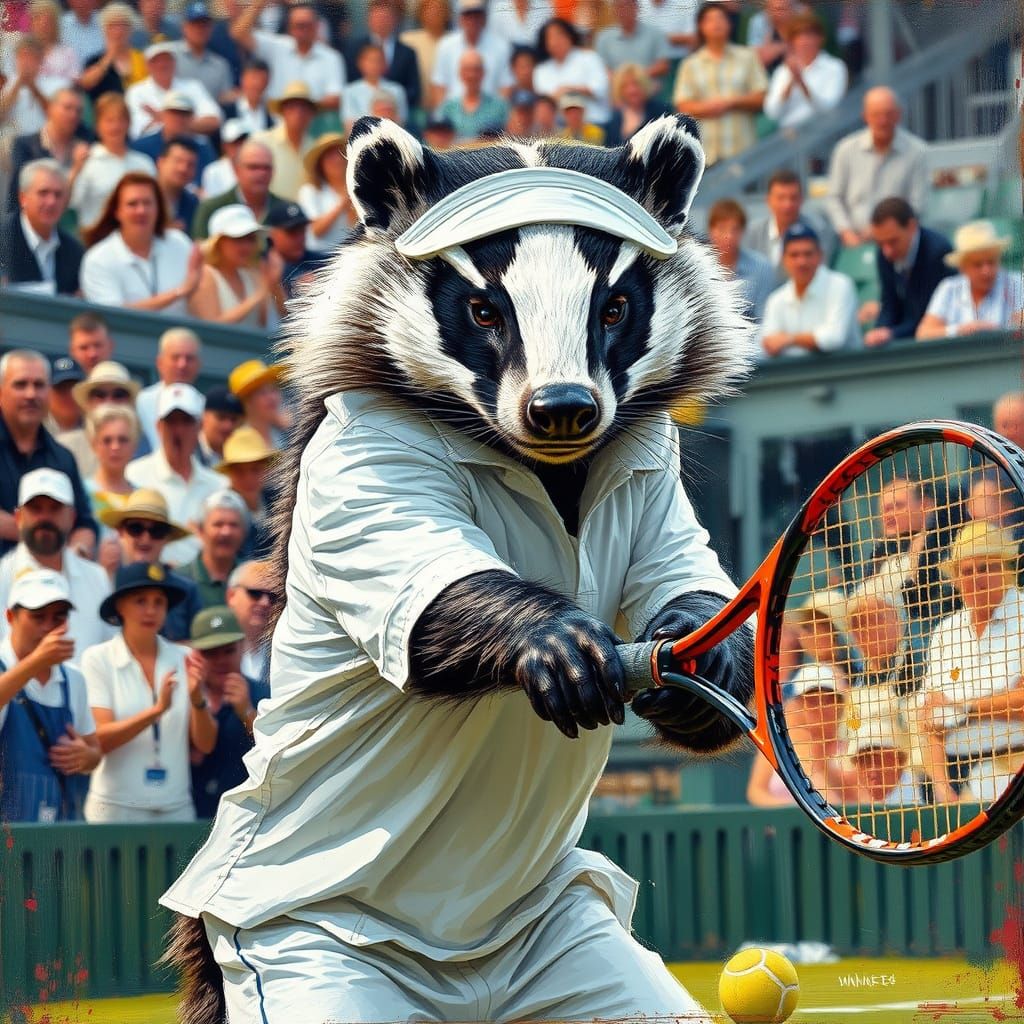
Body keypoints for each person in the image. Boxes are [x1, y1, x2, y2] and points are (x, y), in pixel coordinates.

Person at [81, 561, 217, 822]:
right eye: (140, 601)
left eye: (159, 602)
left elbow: (205, 744)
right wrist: (156, 711)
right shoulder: (97, 659)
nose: (151, 610)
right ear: (120, 606)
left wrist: (197, 700)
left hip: (176, 808)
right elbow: (100, 739)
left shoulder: (185, 657)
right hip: (114, 810)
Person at [913, 522, 1024, 804]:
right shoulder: (945, 632)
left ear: (1005, 568)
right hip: (954, 777)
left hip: (1015, 766)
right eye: (966, 571)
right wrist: (942, 788)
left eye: (985, 568)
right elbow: (931, 721)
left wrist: (962, 707)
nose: (975, 578)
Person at [0, 569, 101, 822]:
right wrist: (35, 662)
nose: (48, 627)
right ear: (10, 616)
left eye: (58, 617)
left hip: (62, 833)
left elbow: (95, 750)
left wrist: (87, 758)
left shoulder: (73, 679)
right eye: (38, 617)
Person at [0, 468, 111, 654]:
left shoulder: (98, 578)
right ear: (18, 517)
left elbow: (112, 650)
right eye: (36, 508)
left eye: (55, 508)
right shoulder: (2, 578)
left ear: (72, 518)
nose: (44, 518)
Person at [0, 351, 98, 559]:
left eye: (39, 385)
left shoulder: (63, 458)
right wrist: (46, 536)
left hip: (50, 584)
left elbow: (84, 524)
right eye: (20, 384)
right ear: (1, 392)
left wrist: (78, 550)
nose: (30, 394)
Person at [126, 384, 224, 567]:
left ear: (200, 427)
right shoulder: (133, 474)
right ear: (158, 426)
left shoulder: (219, 485)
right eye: (171, 422)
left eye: (186, 421)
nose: (178, 430)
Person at [79, 170, 202, 315]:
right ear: (117, 211)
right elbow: (112, 316)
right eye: (132, 204)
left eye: (147, 203)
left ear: (158, 208)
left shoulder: (179, 243)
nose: (141, 210)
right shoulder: (98, 259)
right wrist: (179, 292)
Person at [187, 605, 267, 817]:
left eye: (228, 650)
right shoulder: (182, 695)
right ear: (194, 654)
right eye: (210, 652)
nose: (221, 660)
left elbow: (277, 751)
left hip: (247, 814)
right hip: (192, 815)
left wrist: (247, 712)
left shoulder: (262, 692)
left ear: (242, 647)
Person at [826, 88, 929, 248]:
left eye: (888, 114)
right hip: (852, 242)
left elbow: (918, 204)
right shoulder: (845, 150)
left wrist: (882, 232)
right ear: (865, 116)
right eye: (876, 114)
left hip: (898, 242)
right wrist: (846, 232)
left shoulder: (917, 152)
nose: (883, 120)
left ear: (898, 114)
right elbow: (834, 198)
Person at [99, 488, 203, 640]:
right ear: (120, 531)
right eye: (136, 528)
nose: (146, 538)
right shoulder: (102, 581)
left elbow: (202, 648)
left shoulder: (187, 590)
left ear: (167, 537)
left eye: (157, 530)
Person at [673, 2, 766, 166]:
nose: (716, 23)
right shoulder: (690, 64)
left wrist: (731, 103)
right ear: (701, 26)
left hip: (742, 151)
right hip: (706, 155)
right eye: (710, 19)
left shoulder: (748, 57)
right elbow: (683, 106)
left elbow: (761, 97)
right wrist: (710, 107)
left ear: (729, 23)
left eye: (721, 18)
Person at [863, 197, 955, 348]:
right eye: (881, 243)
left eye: (893, 241)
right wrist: (879, 331)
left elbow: (927, 316)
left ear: (912, 226)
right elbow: (889, 303)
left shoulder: (937, 252)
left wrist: (891, 333)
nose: (887, 251)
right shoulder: (885, 253)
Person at [760, 223, 859, 357]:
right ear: (784, 260)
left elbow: (834, 338)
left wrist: (789, 339)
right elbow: (769, 345)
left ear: (820, 256)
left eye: (808, 254)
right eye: (794, 255)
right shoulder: (776, 299)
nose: (802, 262)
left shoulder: (840, 285)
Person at [229, 0, 346, 113]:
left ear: (316, 26)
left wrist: (299, 109)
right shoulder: (277, 46)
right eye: (299, 26)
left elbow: (336, 98)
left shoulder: (331, 57)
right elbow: (239, 33)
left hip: (317, 125)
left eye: (307, 25)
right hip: (276, 125)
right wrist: (259, 3)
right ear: (290, 28)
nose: (303, 30)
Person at [916, 221, 1024, 340]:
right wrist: (960, 330)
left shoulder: (1017, 283)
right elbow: (923, 333)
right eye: (977, 265)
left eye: (991, 262)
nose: (986, 271)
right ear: (963, 268)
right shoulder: (949, 288)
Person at [68, 92, 156, 232]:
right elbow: (72, 202)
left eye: (121, 120)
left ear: (128, 123)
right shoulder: (86, 162)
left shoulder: (144, 163)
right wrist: (75, 169)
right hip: (95, 239)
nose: (115, 126)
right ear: (97, 126)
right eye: (109, 121)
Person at [189, 204, 285, 327]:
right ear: (218, 242)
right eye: (238, 239)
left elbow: (264, 324)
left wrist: (274, 284)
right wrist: (259, 295)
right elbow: (211, 329)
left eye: (250, 239)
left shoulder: (253, 274)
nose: (246, 246)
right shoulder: (205, 276)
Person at [0, 159, 83, 296]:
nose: (51, 202)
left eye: (58, 195)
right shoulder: (3, 240)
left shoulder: (74, 251)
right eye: (43, 193)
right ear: (23, 198)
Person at [6, 87, 89, 210]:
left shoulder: (85, 146)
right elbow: (16, 195)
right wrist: (75, 170)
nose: (73, 115)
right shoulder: (25, 145)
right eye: (67, 108)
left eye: (78, 111)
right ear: (50, 108)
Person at [762, 13, 847, 130]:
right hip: (789, 137)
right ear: (792, 43)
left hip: (824, 134)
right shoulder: (783, 71)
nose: (804, 42)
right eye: (799, 37)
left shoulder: (835, 67)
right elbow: (772, 113)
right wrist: (791, 82)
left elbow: (829, 108)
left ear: (821, 38)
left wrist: (802, 83)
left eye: (809, 36)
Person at [745, 168, 836, 276]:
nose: (788, 204)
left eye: (793, 198)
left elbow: (821, 273)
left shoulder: (818, 231)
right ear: (768, 201)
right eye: (781, 198)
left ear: (802, 200)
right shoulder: (751, 233)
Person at [124, 40, 222, 139]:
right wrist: (186, 122)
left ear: (174, 63)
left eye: (167, 60)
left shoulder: (193, 86)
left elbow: (214, 121)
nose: (162, 65)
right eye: (156, 61)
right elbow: (137, 131)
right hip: (154, 147)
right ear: (147, 66)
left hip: (192, 144)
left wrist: (163, 118)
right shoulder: (136, 92)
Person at [192, 140, 285, 240]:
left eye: (266, 168)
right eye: (253, 167)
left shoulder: (285, 210)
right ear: (236, 170)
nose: (261, 173)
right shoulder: (211, 209)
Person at [430, 0, 513, 108]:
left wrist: (497, 114)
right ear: (460, 19)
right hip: (453, 113)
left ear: (484, 18)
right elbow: (439, 86)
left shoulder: (501, 47)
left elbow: (506, 86)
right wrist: (444, 117)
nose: (473, 20)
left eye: (477, 15)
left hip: (490, 114)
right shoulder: (445, 45)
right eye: (468, 15)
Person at [345, 0, 421, 113]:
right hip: (360, 112)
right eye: (377, 17)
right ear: (369, 20)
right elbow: (349, 80)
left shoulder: (407, 52)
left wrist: (390, 103)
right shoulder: (353, 48)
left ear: (394, 20)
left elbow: (413, 89)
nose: (381, 22)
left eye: (385, 18)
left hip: (395, 114)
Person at [706, 197, 775, 322]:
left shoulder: (761, 267)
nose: (729, 236)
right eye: (722, 228)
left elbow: (762, 320)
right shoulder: (700, 268)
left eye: (735, 229)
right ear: (711, 230)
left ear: (743, 231)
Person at [177, 490, 250, 609]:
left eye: (233, 525)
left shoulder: (252, 582)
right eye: (218, 524)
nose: (226, 532)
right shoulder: (180, 580)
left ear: (244, 532)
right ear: (200, 531)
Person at [533, 17, 610, 127]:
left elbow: (601, 89)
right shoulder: (541, 70)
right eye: (550, 37)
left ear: (569, 36)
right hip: (561, 130)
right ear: (545, 44)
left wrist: (569, 90)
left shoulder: (589, 58)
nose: (556, 41)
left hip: (595, 123)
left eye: (559, 35)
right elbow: (544, 104)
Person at [135, 327, 202, 450]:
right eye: (175, 357)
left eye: (189, 358)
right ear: (160, 362)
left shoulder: (204, 406)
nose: (182, 364)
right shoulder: (140, 402)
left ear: (199, 364)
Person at [254, 80, 319, 202]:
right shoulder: (261, 142)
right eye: (292, 107)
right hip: (270, 214)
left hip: (305, 217)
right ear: (282, 112)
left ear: (311, 114)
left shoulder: (316, 148)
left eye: (304, 108)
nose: (298, 113)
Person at [131, 94, 216, 181]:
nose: (178, 119)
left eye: (184, 114)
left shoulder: (203, 148)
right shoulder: (142, 146)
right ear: (163, 115)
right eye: (173, 113)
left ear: (192, 118)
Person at [215, 426, 278, 545]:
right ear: (229, 474)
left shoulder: (279, 501)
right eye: (239, 471)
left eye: (255, 470)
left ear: (266, 469)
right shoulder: (221, 511)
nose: (248, 478)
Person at [84, 403, 139, 529]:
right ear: (94, 445)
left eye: (123, 439)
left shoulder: (142, 498)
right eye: (107, 440)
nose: (115, 447)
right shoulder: (82, 493)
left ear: (134, 445)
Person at [78, 3, 148, 102]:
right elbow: (85, 84)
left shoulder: (143, 58)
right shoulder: (94, 60)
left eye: (123, 25)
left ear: (131, 29)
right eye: (112, 26)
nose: (118, 31)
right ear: (104, 30)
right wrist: (109, 56)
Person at [297, 131, 354, 253]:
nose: (337, 160)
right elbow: (316, 231)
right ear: (320, 164)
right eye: (330, 156)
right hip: (320, 256)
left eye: (340, 154)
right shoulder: (310, 191)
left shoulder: (356, 188)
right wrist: (342, 205)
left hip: (350, 254)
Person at [439, 49, 508, 142]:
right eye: (467, 70)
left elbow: (509, 136)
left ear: (483, 72)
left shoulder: (499, 106)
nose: (472, 75)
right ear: (460, 73)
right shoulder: (448, 107)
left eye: (476, 70)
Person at [596, 0, 670, 86]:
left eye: (628, 6)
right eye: (619, 7)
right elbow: (601, 68)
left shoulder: (656, 34)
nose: (624, 11)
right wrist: (622, 82)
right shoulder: (604, 38)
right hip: (616, 91)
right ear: (613, 10)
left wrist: (636, 79)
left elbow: (663, 65)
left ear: (637, 8)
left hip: (649, 90)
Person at [0, 36, 61, 138]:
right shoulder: (9, 84)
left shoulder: (55, 83)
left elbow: (57, 117)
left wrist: (33, 87)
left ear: (40, 59)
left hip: (45, 140)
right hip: (14, 140)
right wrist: (18, 84)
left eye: (29, 57)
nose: (25, 62)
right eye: (21, 57)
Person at [176, 1, 234, 106]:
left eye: (204, 25)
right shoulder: (170, 56)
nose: (200, 29)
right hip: (175, 115)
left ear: (211, 28)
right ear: (184, 27)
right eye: (195, 24)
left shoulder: (220, 65)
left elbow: (225, 99)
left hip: (210, 119)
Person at [225, 559, 274, 681]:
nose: (265, 602)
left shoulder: (284, 651)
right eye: (255, 593)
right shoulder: (212, 646)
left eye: (272, 597)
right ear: (231, 596)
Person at [264, 200, 324, 299]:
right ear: (273, 234)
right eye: (292, 232)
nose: (300, 238)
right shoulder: (263, 267)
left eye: (302, 230)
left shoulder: (321, 260)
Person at [341, 43, 408, 128]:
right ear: (360, 63)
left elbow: (401, 121)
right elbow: (349, 124)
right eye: (370, 60)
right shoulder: (350, 91)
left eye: (378, 60)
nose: (374, 65)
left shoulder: (397, 89)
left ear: (385, 64)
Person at [603, 63, 671, 146]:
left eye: (636, 84)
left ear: (644, 84)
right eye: (625, 86)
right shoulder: (613, 118)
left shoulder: (661, 112)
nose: (632, 90)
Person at [401, 0, 450, 112]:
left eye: (439, 9)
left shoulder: (455, 40)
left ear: (447, 13)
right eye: (429, 9)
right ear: (421, 13)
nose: (434, 13)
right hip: (415, 107)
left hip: (449, 107)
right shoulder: (408, 40)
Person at [228, 359, 288, 448]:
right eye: (263, 393)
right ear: (247, 402)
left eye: (274, 390)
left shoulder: (279, 435)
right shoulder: (240, 442)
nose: (272, 398)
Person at [23, 0, 81, 88]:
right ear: (32, 23)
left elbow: (75, 82)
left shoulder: (67, 52)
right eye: (38, 20)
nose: (43, 26)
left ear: (55, 25)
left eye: (48, 22)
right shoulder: (23, 52)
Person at [150, 133, 200, 233]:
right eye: (178, 161)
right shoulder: (141, 197)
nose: (183, 169)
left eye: (190, 164)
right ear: (160, 162)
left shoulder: (194, 204)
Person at [222, 57, 274, 136]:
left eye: (262, 79)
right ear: (242, 78)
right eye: (253, 78)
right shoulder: (227, 111)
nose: (257, 84)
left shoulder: (272, 115)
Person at [201, 118, 248, 198]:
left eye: (242, 142)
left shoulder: (255, 168)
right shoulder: (213, 171)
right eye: (234, 143)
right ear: (225, 146)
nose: (240, 147)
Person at [198, 387, 244, 467]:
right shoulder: (189, 451)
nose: (228, 426)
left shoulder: (244, 456)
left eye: (234, 419)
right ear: (204, 416)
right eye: (221, 417)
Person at [60, 0, 103, 68]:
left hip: (106, 75)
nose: (84, 2)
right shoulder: (60, 25)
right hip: (70, 75)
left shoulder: (107, 22)